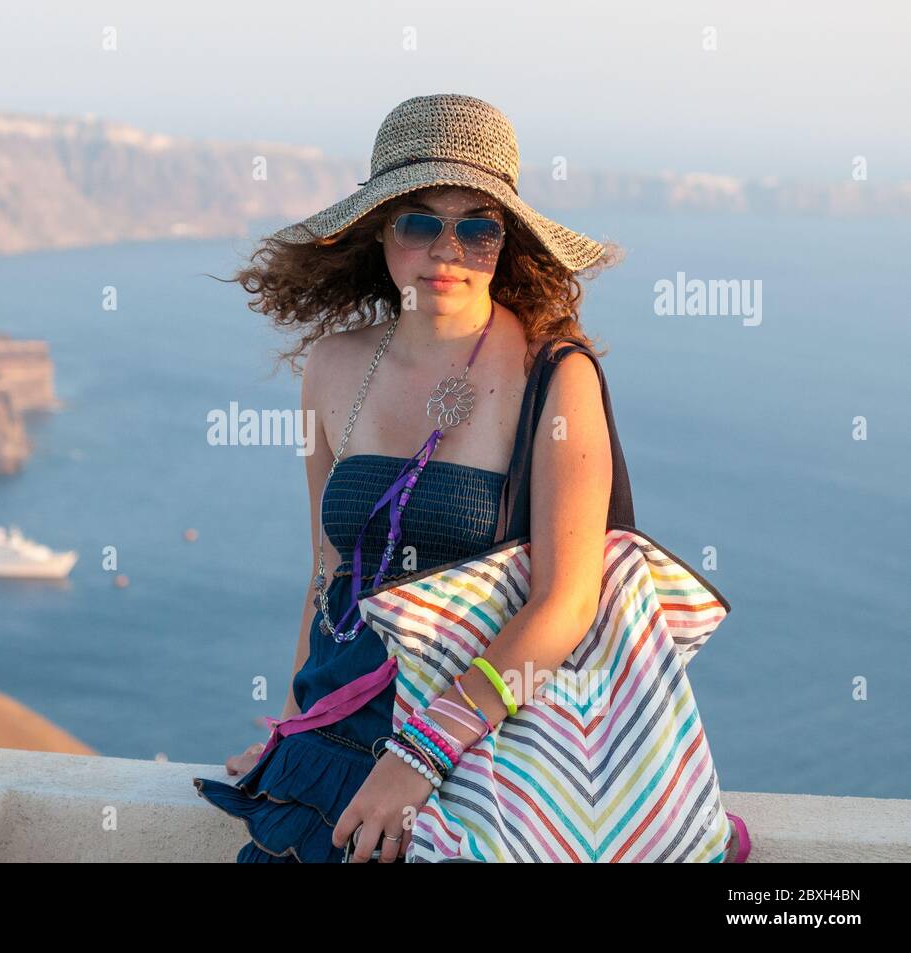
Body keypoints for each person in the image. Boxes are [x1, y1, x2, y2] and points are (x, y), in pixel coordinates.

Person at [192, 94, 621, 862]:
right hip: (330, 748)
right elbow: (328, 570)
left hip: (475, 755)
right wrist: (289, 726)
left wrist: (417, 756)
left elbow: (567, 600)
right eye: (419, 221)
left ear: (508, 240)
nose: (446, 251)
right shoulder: (333, 364)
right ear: (380, 232)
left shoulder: (554, 377)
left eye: (476, 226)